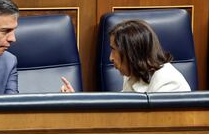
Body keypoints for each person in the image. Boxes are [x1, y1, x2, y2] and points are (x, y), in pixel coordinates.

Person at [61, 19, 191, 93]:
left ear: (131, 53)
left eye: (113, 50)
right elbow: (116, 116)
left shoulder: (168, 83)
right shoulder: (133, 75)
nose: (110, 58)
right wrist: (74, 101)